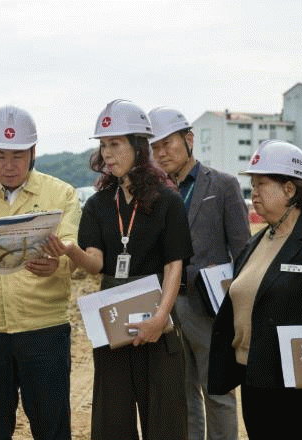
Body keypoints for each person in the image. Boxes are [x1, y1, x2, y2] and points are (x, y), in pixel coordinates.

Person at [44, 99, 193, 440]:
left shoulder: (168, 201)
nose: (107, 154)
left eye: (115, 144)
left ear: (139, 146)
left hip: (157, 321)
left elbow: (174, 264)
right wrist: (70, 251)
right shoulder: (98, 204)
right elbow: (96, 264)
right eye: (103, 145)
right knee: (112, 420)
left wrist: (160, 318)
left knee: (165, 421)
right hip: (112, 323)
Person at [0, 105, 81, 440]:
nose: (9, 165)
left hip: (44, 331)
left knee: (52, 427)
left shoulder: (61, 194)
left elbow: (73, 248)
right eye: (0, 155)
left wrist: (58, 263)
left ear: (33, 152)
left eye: (18, 156)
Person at [208, 140, 302, 439]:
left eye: (262, 184)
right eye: (252, 185)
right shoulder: (254, 244)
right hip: (255, 380)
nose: (253, 192)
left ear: (290, 189)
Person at [148, 107, 249, 440]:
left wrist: (237, 309)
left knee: (217, 391)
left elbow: (243, 252)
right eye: (155, 147)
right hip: (167, 307)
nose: (161, 153)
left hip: (209, 309)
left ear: (189, 139)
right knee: (181, 394)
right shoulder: (155, 194)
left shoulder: (222, 185)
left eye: (168, 143)